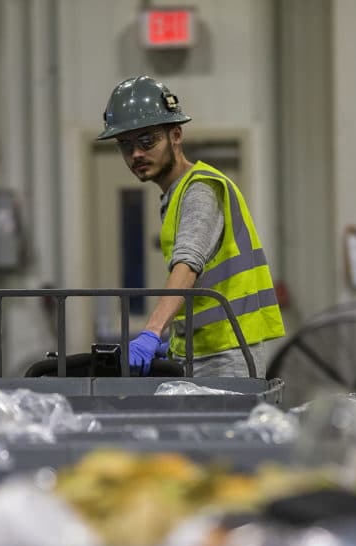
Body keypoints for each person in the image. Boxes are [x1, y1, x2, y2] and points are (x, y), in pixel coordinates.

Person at [97, 75, 285, 377]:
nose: (136, 154)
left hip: (225, 359)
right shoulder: (174, 196)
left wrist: (152, 333)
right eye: (125, 145)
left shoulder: (200, 190)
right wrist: (174, 340)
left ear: (176, 135)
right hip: (203, 353)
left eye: (147, 140)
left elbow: (187, 265)